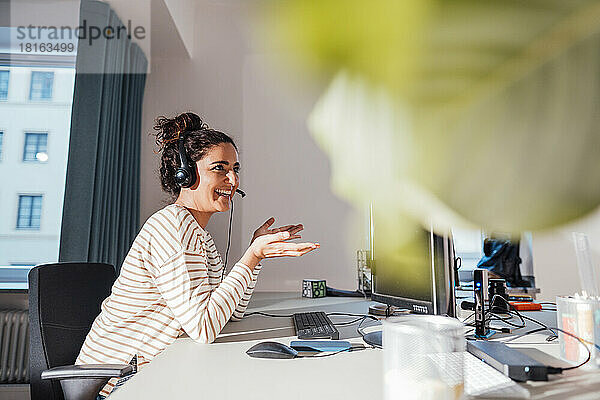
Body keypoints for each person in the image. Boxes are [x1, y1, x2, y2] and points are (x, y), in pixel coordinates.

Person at [75, 112, 320, 398]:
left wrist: (257, 255)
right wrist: (251, 257)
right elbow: (204, 327)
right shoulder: (172, 228)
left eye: (235, 168)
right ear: (186, 174)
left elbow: (233, 313)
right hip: (116, 385)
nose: (233, 179)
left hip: (155, 372)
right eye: (220, 168)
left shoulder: (198, 236)